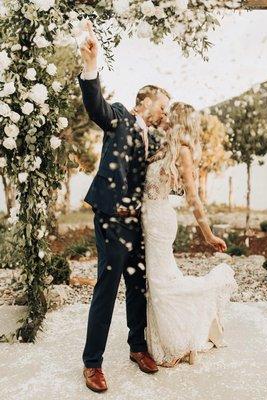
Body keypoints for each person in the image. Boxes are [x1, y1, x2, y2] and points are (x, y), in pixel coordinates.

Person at [78, 21, 170, 393]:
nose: (165, 112)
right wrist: (91, 66)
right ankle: (92, 363)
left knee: (138, 285)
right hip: (112, 217)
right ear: (144, 102)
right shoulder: (117, 116)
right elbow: (95, 105)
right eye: (163, 105)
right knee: (108, 286)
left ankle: (138, 346)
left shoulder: (156, 138)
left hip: (138, 222)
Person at [142, 102, 238, 367]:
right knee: (158, 283)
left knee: (162, 284)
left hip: (160, 222)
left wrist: (208, 235)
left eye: (169, 116)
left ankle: (177, 342)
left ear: (178, 121)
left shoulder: (183, 152)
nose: (163, 118)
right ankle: (169, 337)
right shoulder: (163, 149)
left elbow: (193, 198)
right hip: (148, 220)